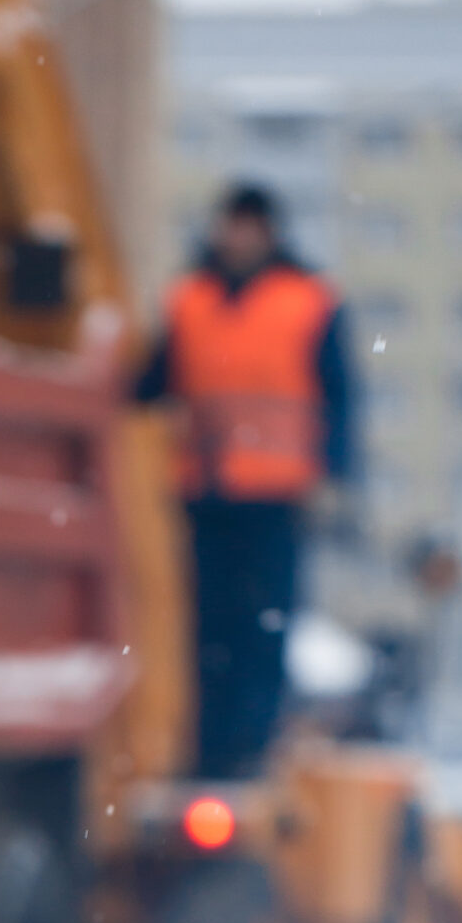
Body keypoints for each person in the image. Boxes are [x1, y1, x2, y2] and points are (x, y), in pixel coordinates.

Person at [133, 182, 356, 778]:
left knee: (263, 631)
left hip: (277, 496)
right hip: (206, 490)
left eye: (250, 226)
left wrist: (335, 475)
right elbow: (152, 380)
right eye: (233, 225)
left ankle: (252, 750)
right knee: (210, 631)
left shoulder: (308, 301)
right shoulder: (188, 300)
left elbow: (339, 395)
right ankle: (210, 753)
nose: (239, 238)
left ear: (271, 234)